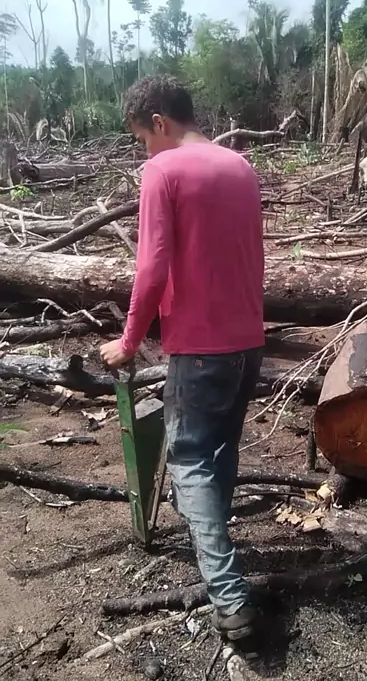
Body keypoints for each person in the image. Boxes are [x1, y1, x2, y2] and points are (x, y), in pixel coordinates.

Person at [100, 75, 265, 641]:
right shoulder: (241, 167)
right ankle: (216, 550)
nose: (144, 150)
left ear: (160, 123)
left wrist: (128, 342)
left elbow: (151, 268)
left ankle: (229, 596)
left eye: (143, 138)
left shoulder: (163, 170)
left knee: (190, 459)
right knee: (221, 452)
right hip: (248, 341)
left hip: (200, 347)